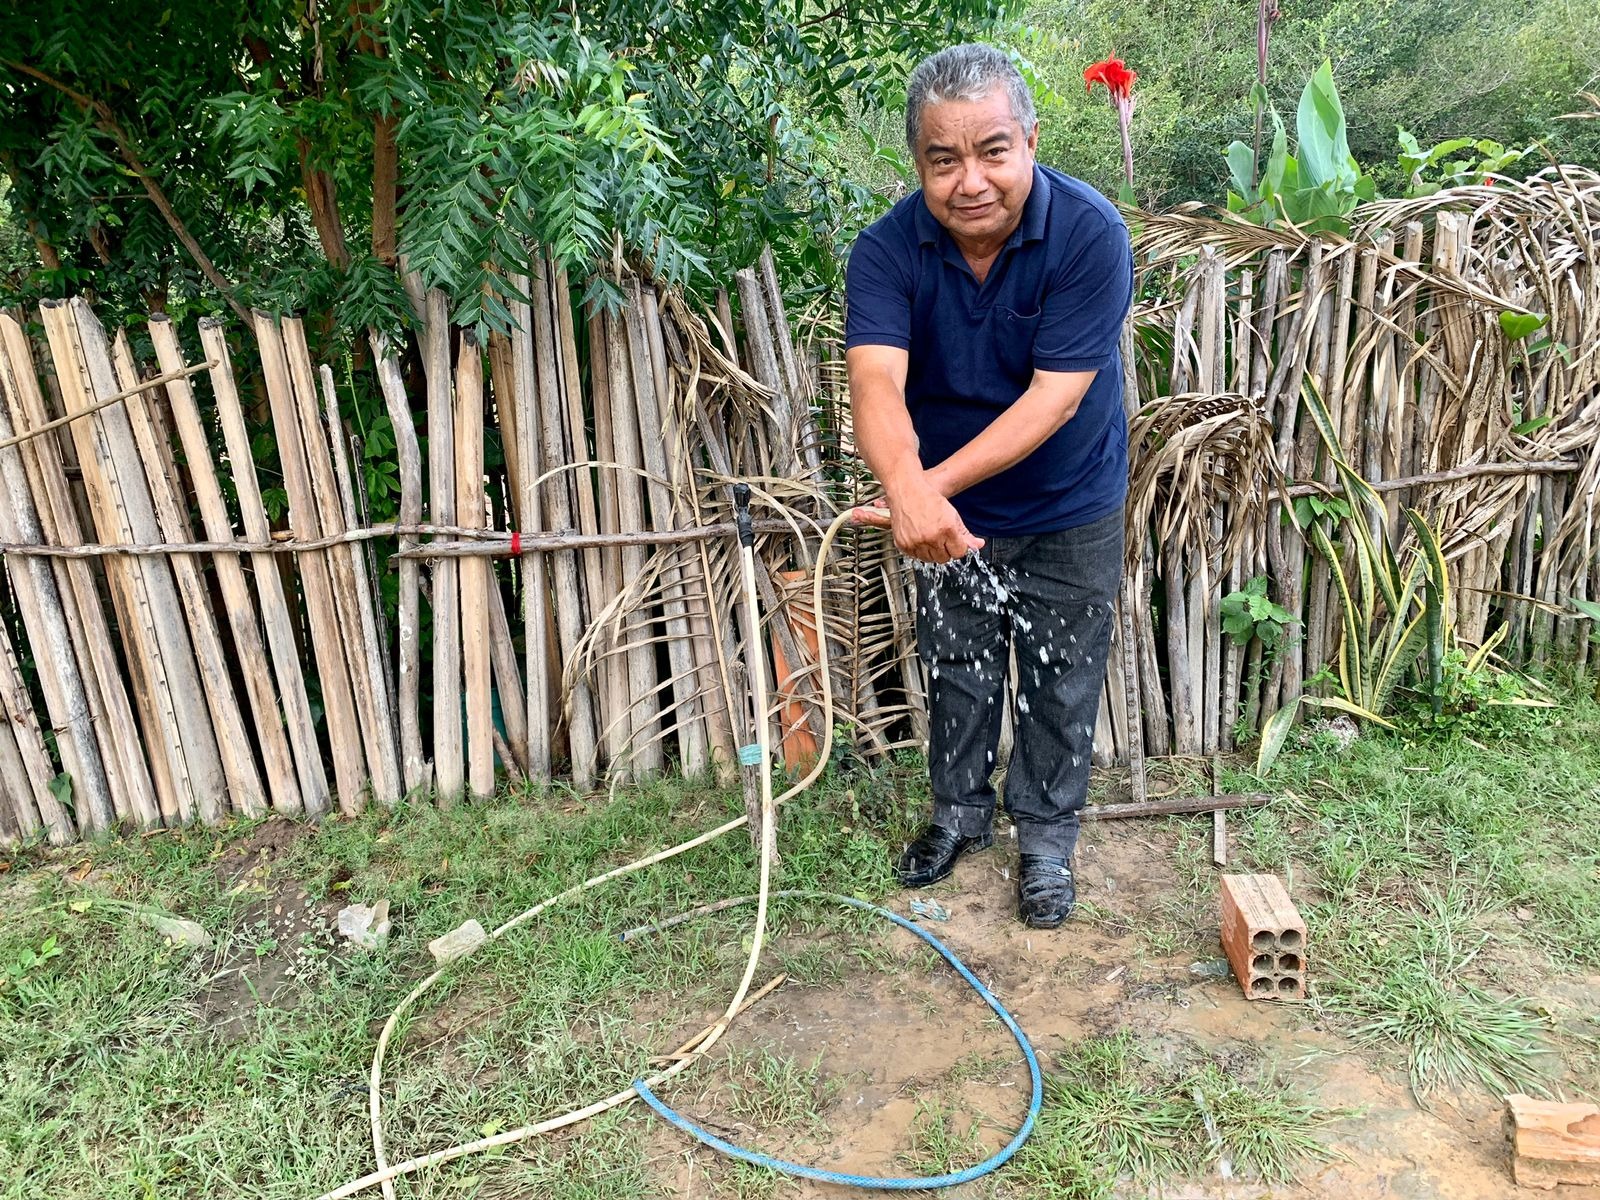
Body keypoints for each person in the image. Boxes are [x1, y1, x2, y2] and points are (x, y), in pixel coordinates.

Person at [844, 43, 1134, 928]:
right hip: (945, 508)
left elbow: (1054, 399)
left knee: (1063, 672)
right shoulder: (887, 249)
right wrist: (911, 490)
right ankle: (959, 817)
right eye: (944, 159)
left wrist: (920, 492)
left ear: (1031, 143)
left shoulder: (1089, 235)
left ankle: (1046, 838)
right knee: (957, 662)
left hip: (1068, 498)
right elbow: (876, 384)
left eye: (992, 151)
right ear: (919, 164)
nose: (970, 180)